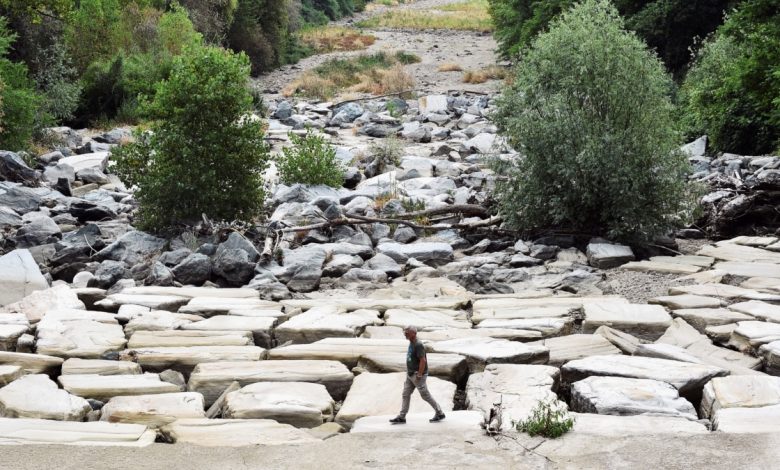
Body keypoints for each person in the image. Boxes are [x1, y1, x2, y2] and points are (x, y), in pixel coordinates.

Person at [389, 325, 446, 424]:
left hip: (417, 375)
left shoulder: (418, 344)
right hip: (410, 374)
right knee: (405, 394)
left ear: (414, 334)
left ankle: (439, 412)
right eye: (405, 332)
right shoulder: (411, 342)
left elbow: (423, 360)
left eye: (407, 332)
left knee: (425, 395)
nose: (405, 334)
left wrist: (419, 375)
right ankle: (402, 417)